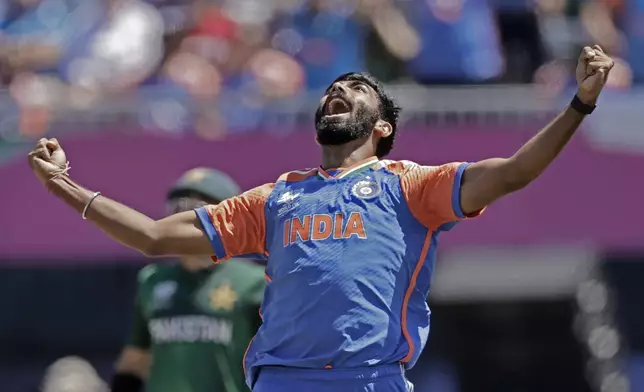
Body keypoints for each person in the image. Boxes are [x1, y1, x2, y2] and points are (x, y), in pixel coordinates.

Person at [28, 45, 614, 392]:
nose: (338, 93)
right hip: (282, 382)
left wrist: (579, 105)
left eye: (355, 90)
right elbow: (154, 237)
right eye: (333, 89)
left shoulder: (408, 186)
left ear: (382, 127)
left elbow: (511, 172)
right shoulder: (277, 199)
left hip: (368, 381)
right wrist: (64, 187)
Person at [110, 168, 266, 392]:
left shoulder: (254, 283)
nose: (183, 223)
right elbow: (136, 359)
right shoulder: (153, 280)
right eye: (176, 210)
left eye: (195, 213)